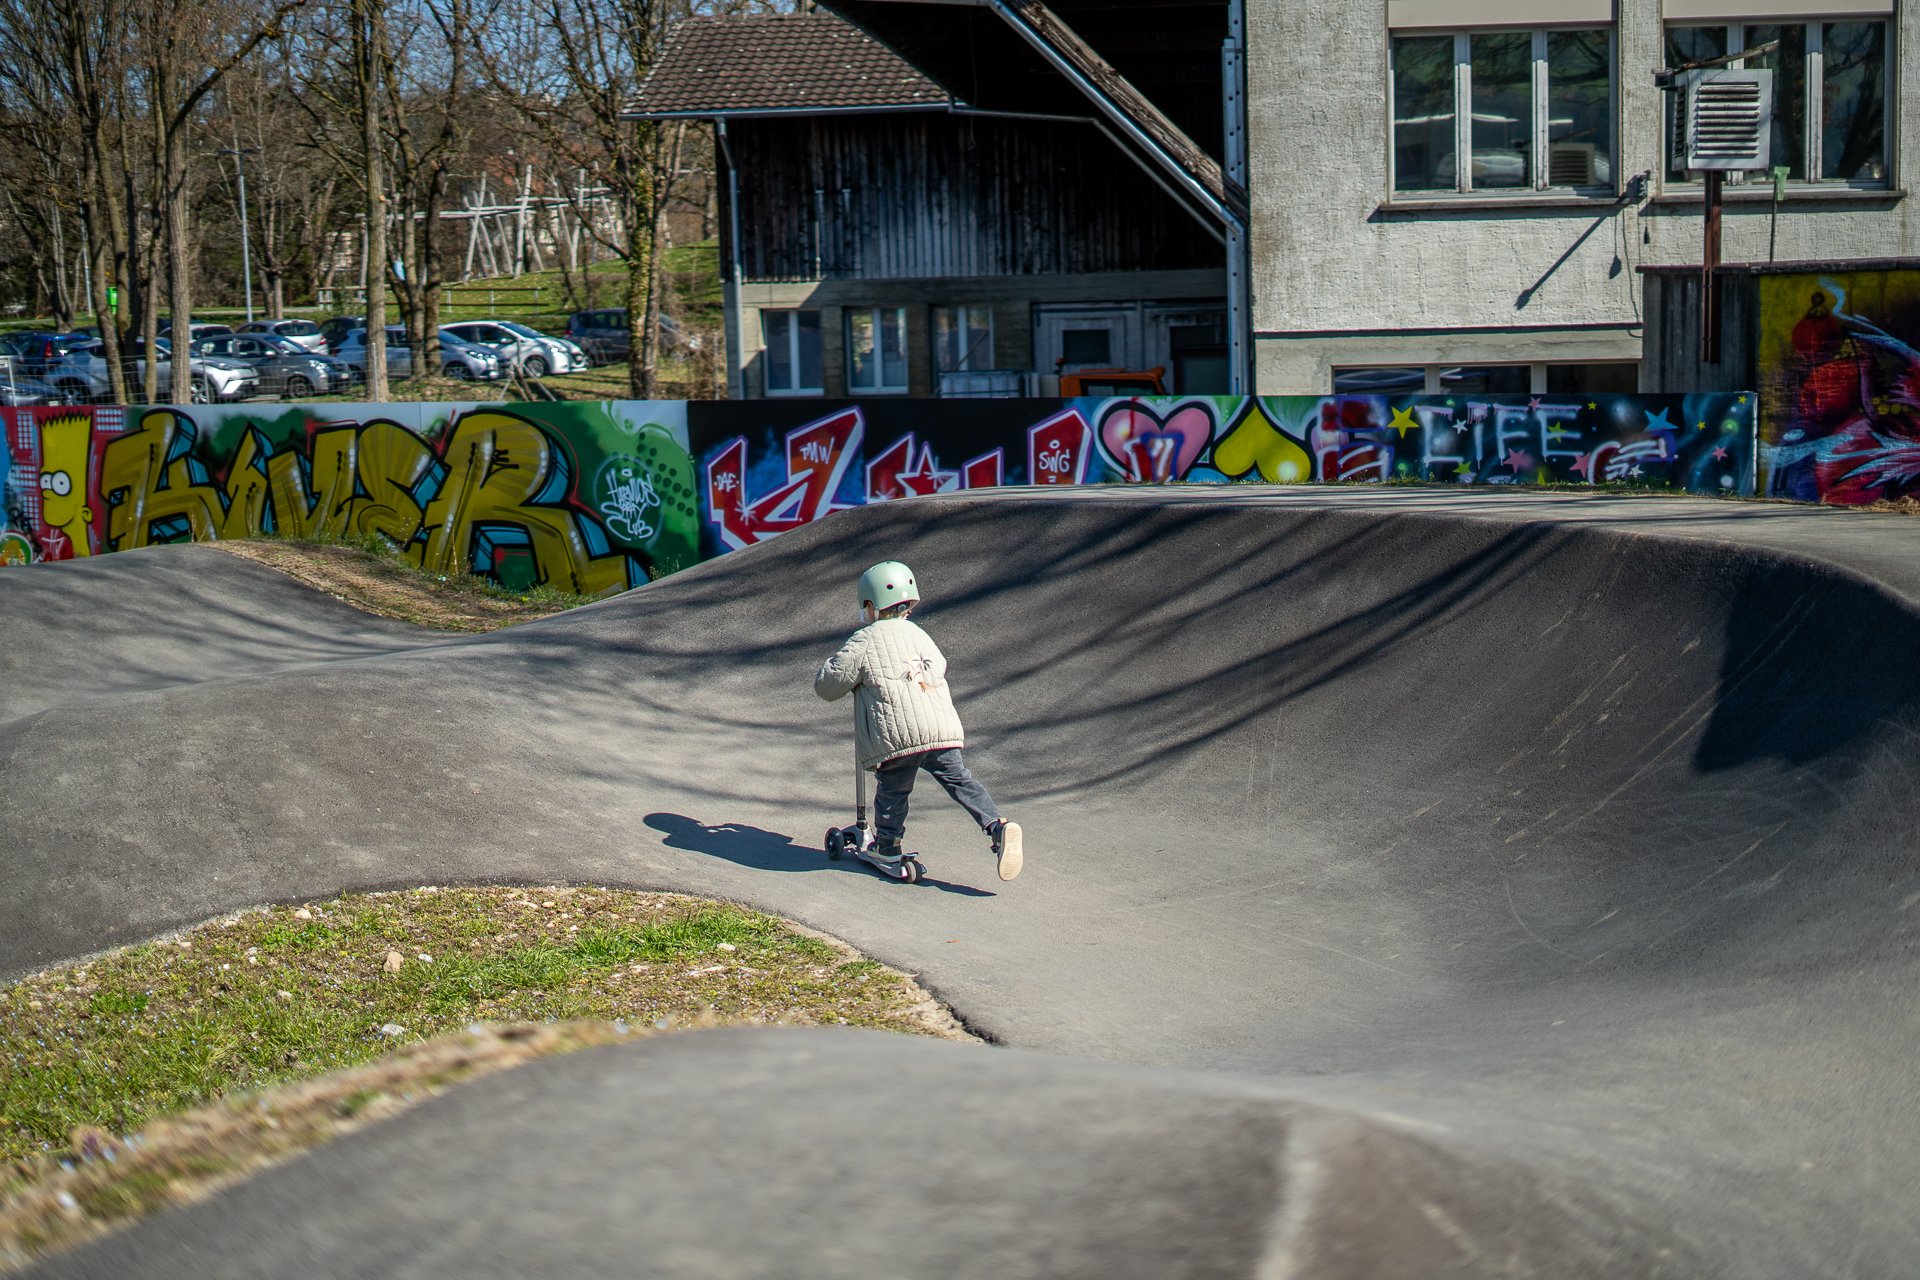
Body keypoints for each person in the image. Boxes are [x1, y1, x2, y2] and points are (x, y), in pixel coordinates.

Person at [814, 560, 1022, 881]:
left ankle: (887, 847)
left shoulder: (864, 639)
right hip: (941, 730)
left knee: (893, 793)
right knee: (961, 781)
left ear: (870, 605)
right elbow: (938, 667)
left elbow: (828, 685)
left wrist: (838, 668)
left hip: (899, 736)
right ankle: (997, 826)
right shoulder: (921, 636)